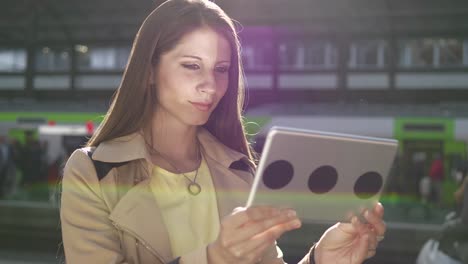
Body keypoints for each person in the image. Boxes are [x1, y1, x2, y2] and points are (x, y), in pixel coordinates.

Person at [60, 0, 386, 263]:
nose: (210, 86)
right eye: (191, 65)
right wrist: (214, 258)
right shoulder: (92, 172)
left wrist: (323, 259)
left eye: (221, 70)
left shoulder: (241, 171)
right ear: (149, 71)